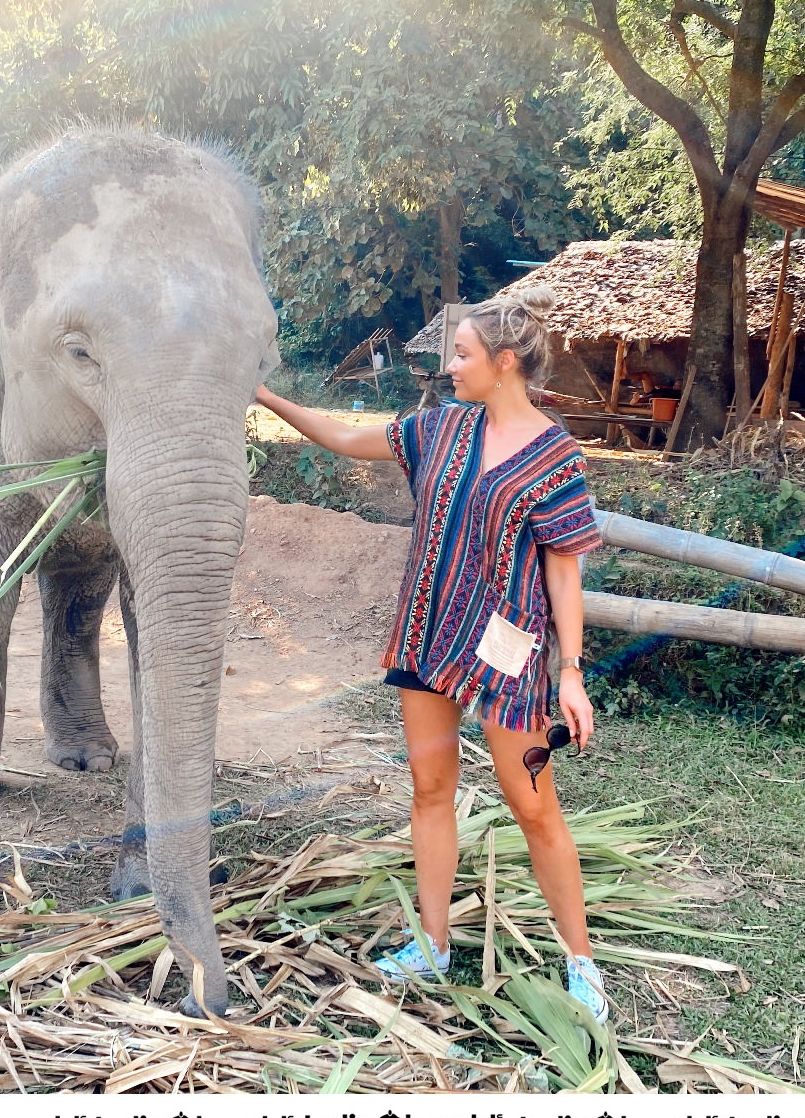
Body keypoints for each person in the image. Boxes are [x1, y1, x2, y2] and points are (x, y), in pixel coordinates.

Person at [253, 286, 612, 1022]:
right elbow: (343, 439)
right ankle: (433, 946)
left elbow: (564, 568)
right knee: (428, 791)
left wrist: (569, 674)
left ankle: (581, 964)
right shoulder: (438, 428)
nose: (450, 366)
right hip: (428, 631)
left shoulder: (554, 457)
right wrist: (260, 395)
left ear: (503, 362)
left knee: (532, 807)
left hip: (509, 654)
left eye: (462, 354)